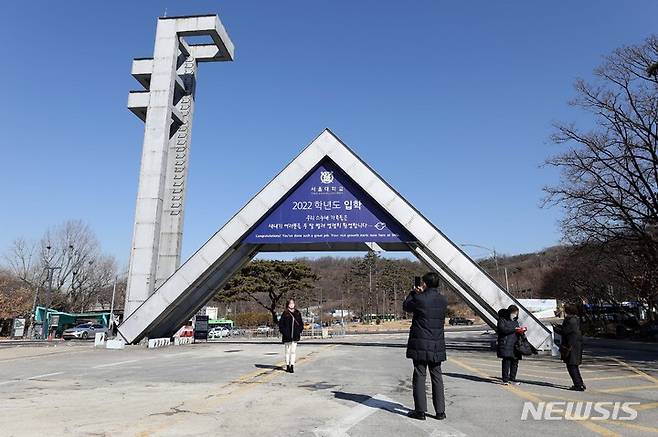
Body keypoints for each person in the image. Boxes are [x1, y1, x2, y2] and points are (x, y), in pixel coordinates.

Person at [403, 272, 448, 421]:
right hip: (436, 343)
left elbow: (406, 307)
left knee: (420, 375)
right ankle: (440, 411)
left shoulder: (419, 298)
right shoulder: (443, 300)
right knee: (437, 376)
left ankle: (420, 411)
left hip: (420, 342)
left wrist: (413, 293)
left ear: (425, 284)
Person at [555, 304, 585, 391]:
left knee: (571, 366)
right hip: (575, 345)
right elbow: (567, 329)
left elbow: (565, 331)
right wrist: (560, 327)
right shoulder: (575, 319)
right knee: (574, 366)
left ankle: (578, 385)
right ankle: (580, 383)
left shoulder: (570, 320)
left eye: (565, 310)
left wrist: (556, 329)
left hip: (571, 346)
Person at [497, 305, 526, 385]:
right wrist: (514, 329)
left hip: (515, 344)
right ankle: (505, 379)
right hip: (506, 343)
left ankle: (512, 378)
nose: (515, 315)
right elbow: (502, 330)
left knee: (515, 362)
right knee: (506, 361)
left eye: (516, 313)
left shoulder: (515, 321)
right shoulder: (502, 320)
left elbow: (516, 330)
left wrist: (521, 331)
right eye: (514, 313)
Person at [278, 298, 304, 373]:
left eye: (293, 303)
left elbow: (301, 323)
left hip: (295, 336)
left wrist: (299, 331)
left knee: (293, 351)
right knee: (287, 351)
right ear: (288, 305)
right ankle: (287, 365)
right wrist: (285, 332)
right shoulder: (285, 313)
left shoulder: (297, 313)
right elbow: (281, 325)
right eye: (290, 303)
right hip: (287, 336)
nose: (292, 305)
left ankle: (292, 365)